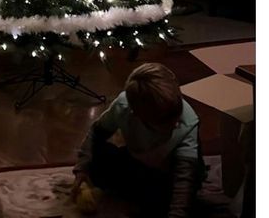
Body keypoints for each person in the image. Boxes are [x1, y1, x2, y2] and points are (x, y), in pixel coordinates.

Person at [72, 62, 204, 218]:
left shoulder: (188, 122)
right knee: (98, 158)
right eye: (165, 123)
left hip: (171, 174)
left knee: (166, 201)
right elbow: (96, 133)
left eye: (176, 115)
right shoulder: (123, 106)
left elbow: (184, 179)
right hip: (140, 162)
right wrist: (82, 169)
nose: (175, 123)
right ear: (138, 115)